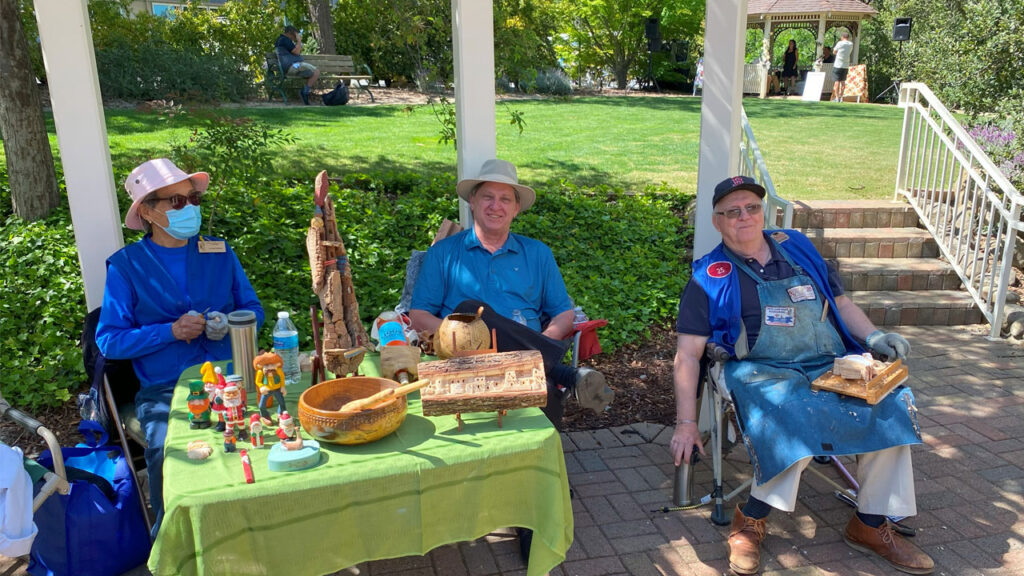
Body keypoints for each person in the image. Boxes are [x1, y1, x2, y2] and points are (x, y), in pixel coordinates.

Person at [670, 175, 933, 575]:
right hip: (755, 369)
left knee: (890, 403)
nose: (744, 217)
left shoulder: (798, 249)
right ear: (717, 221)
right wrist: (686, 423)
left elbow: (840, 303)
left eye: (752, 208)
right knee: (791, 413)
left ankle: (871, 523)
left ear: (763, 211)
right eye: (732, 212)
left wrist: (875, 335)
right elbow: (687, 355)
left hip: (825, 361)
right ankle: (750, 521)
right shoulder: (710, 276)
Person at [96, 158, 264, 537]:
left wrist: (230, 322)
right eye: (176, 202)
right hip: (167, 389)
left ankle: (254, 528)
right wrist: (169, 331)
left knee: (264, 431)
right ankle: (172, 539)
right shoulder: (126, 266)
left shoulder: (219, 251)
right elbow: (109, 340)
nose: (188, 208)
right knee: (165, 452)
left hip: (229, 375)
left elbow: (253, 310)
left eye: (193, 199)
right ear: (148, 211)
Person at [409, 158, 614, 428]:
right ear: (472, 201)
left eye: (505, 199)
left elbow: (563, 313)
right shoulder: (444, 253)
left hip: (527, 366)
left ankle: (538, 463)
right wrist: (460, 335)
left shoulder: (537, 253)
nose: (496, 206)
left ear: (516, 208)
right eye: (488, 197)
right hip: (467, 359)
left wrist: (543, 339)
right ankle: (561, 371)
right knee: (470, 312)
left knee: (545, 392)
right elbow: (418, 315)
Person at [274, 25, 320, 105]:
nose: (295, 38)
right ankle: (304, 93)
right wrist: (299, 41)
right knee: (316, 71)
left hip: (293, 66)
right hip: (292, 66)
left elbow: (295, 52)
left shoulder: (282, 40)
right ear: (289, 33)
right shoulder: (284, 40)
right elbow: (297, 52)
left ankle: (304, 91)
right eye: (295, 35)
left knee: (311, 73)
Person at [831, 32, 854, 101]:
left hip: (838, 64)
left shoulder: (840, 43)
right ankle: (841, 97)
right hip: (846, 65)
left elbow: (834, 52)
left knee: (837, 81)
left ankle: (837, 97)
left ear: (842, 37)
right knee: (843, 81)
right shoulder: (851, 44)